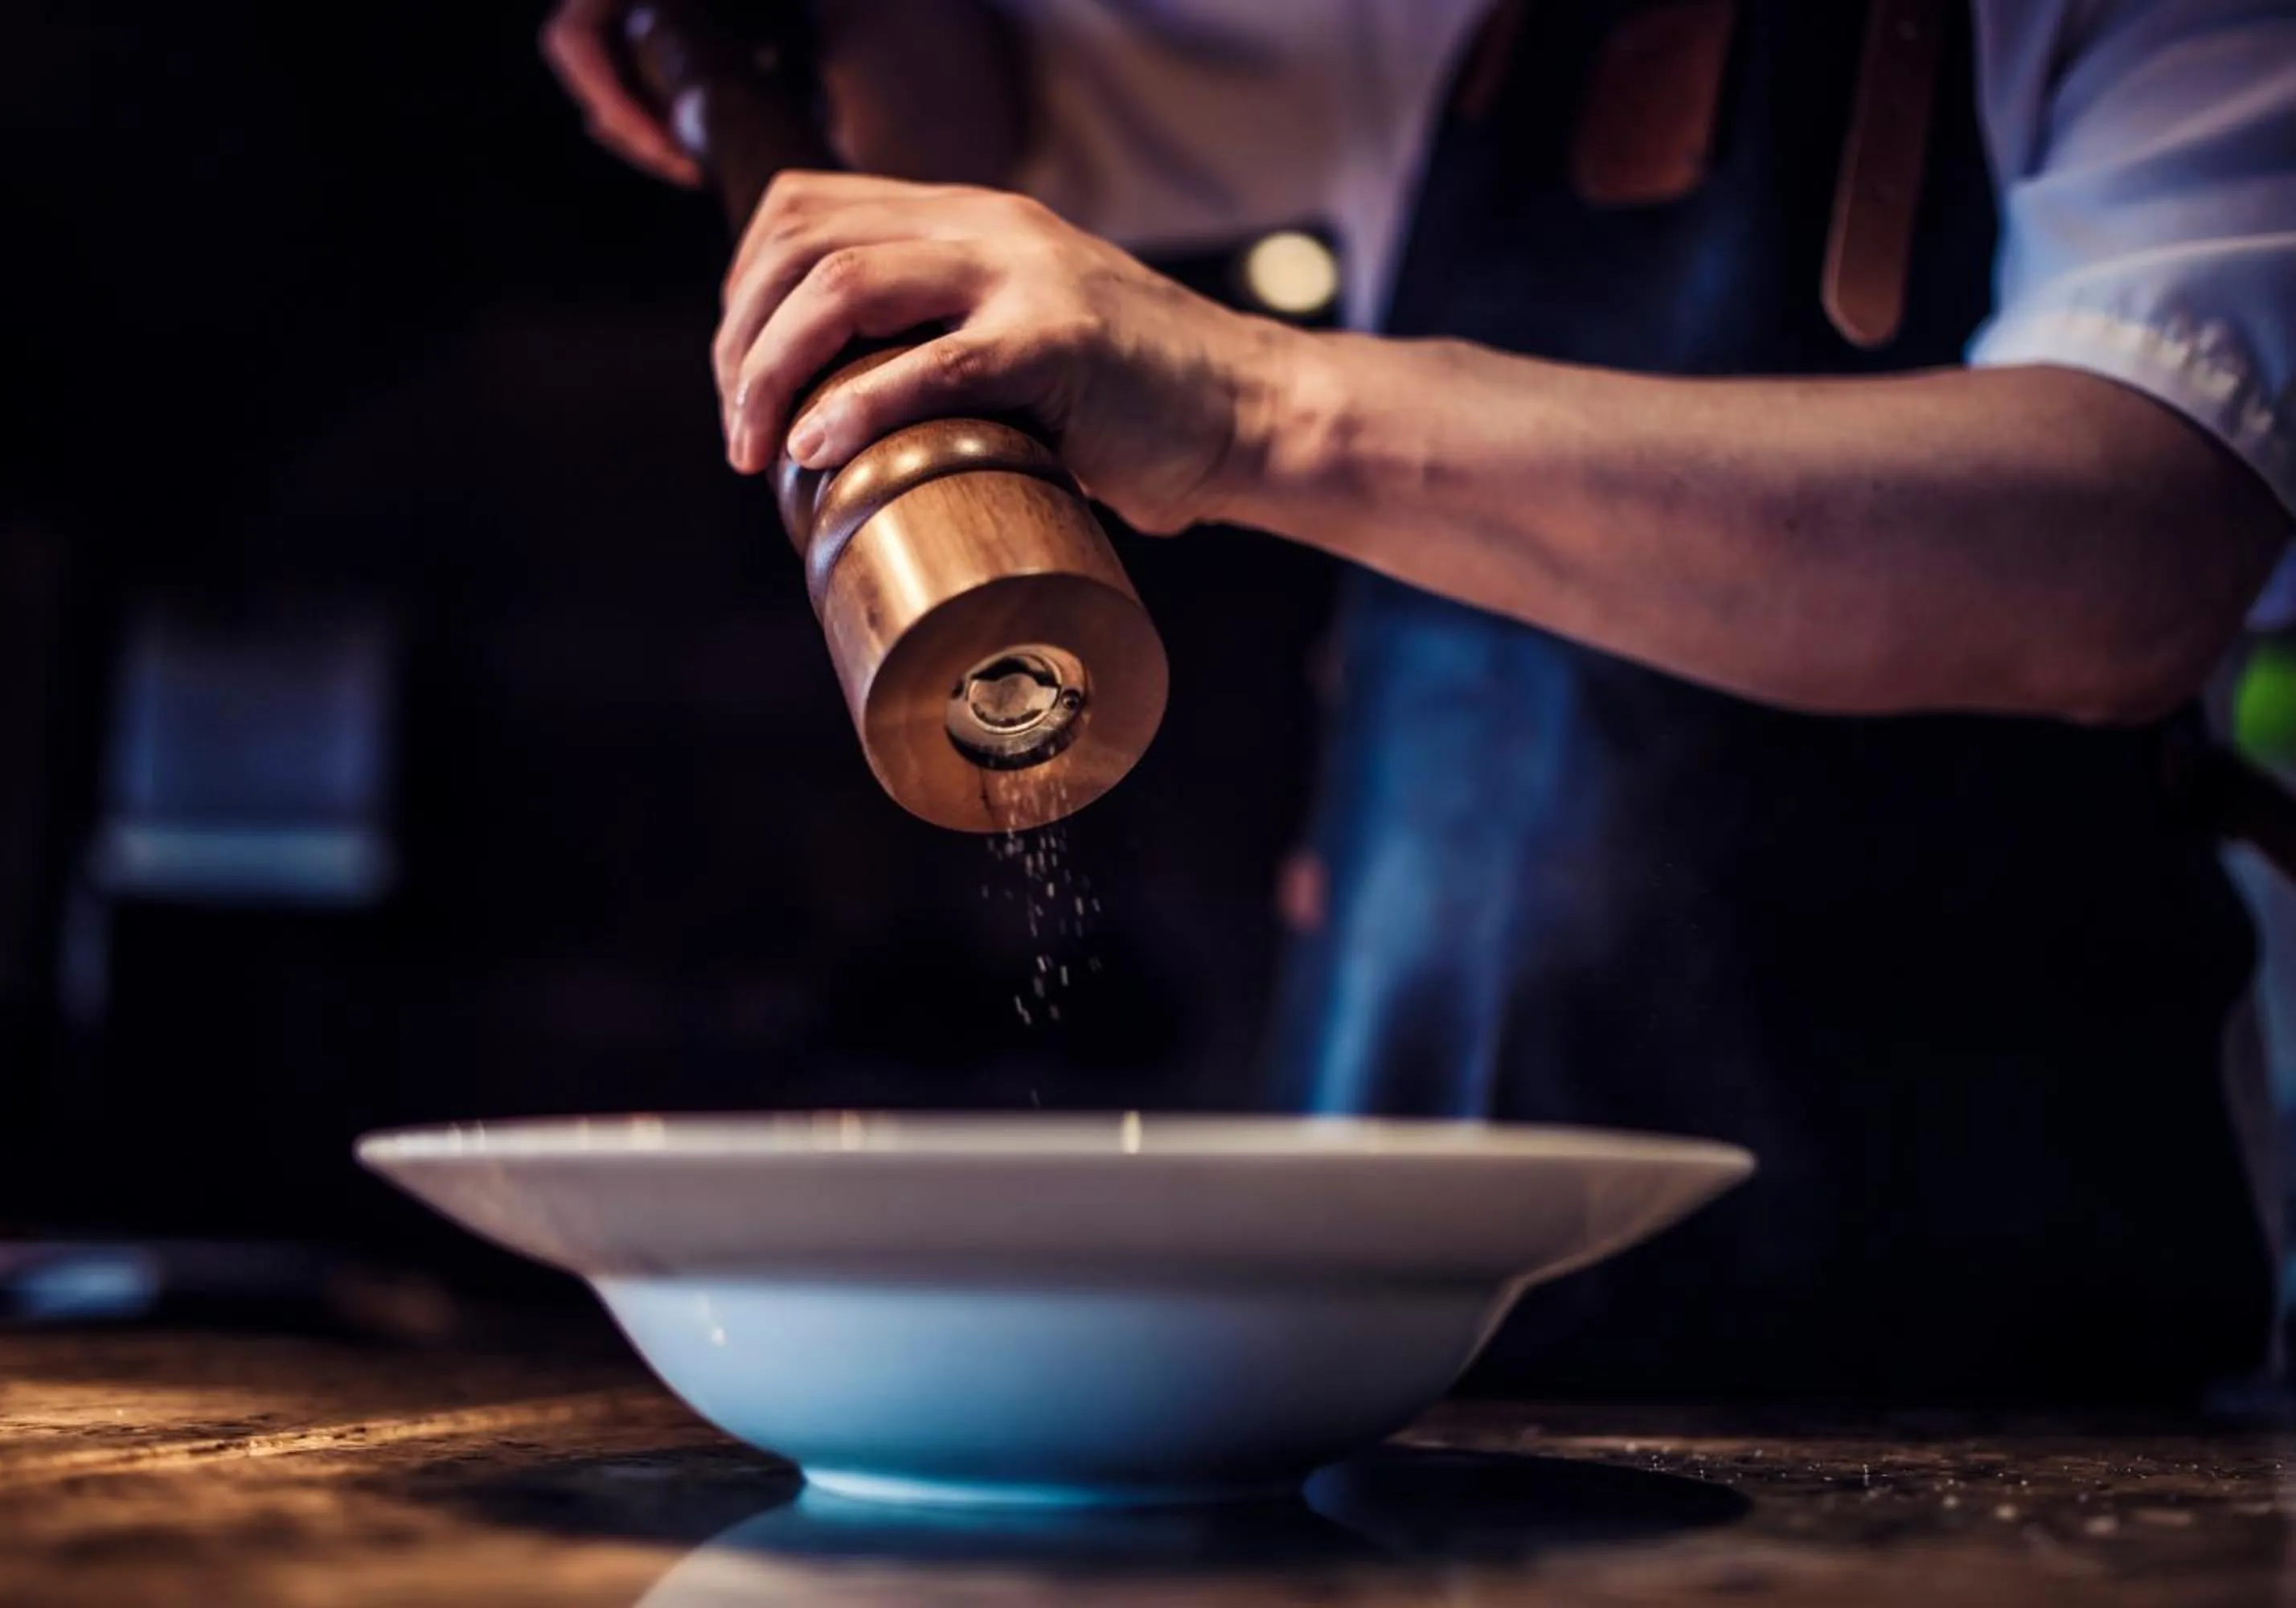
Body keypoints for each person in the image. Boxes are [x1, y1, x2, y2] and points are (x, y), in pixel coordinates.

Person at [545, 0, 2296, 1400]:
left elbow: (2138, 543)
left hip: (2010, 1395)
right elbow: (941, 120)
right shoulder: (1430, 24)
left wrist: (1252, 406)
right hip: (1398, 1383)